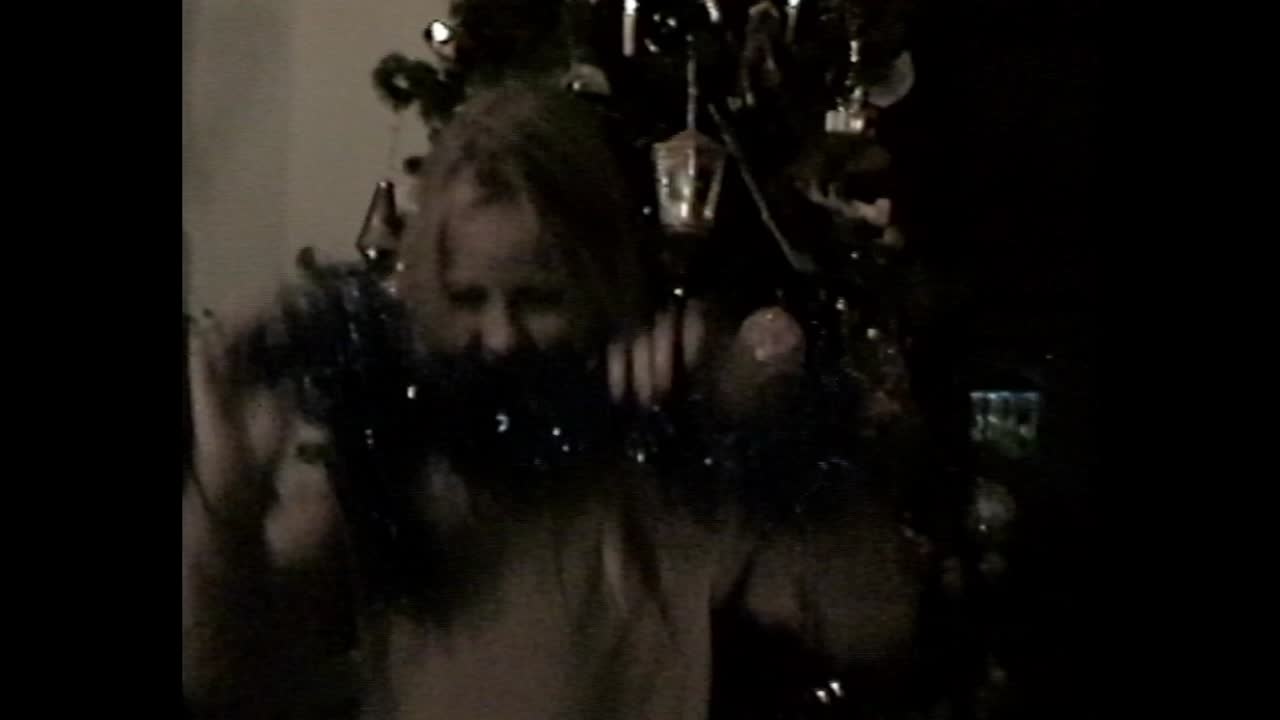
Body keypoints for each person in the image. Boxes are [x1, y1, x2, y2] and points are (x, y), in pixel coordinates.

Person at [183, 83, 922, 720]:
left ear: (600, 282)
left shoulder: (662, 446)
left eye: (538, 300)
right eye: (469, 298)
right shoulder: (395, 445)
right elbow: (224, 679)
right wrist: (225, 505)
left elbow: (872, 620)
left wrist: (767, 436)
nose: (501, 339)